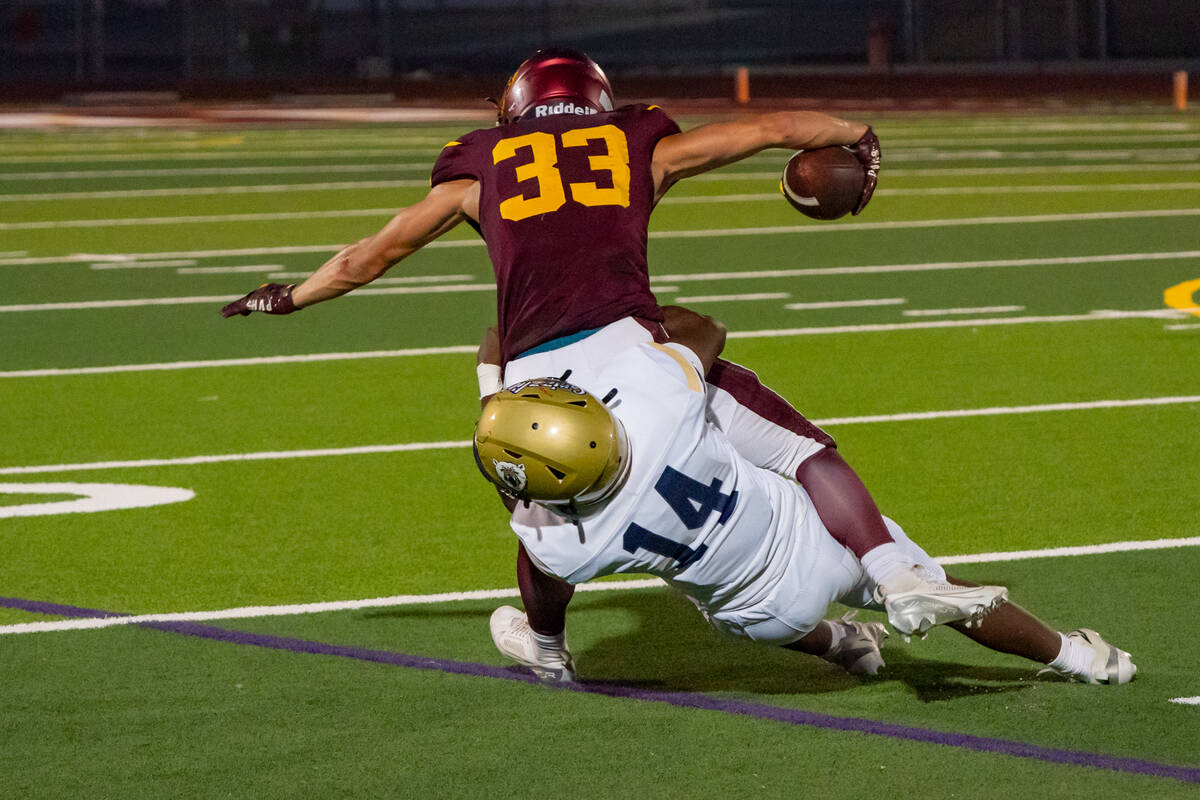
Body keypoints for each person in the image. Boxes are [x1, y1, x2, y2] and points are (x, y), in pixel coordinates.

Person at [220, 47, 981, 641]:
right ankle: (881, 571)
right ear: (596, 100)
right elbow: (770, 130)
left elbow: (368, 258)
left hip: (538, 383)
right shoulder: (636, 143)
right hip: (635, 355)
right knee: (790, 445)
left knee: (544, 518)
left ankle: (549, 643)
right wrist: (857, 134)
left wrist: (289, 296)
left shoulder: (476, 170)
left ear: (516, 105)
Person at [473, 312, 1137, 686]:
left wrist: (489, 392)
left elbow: (529, 522)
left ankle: (845, 644)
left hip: (755, 617)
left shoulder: (557, 538)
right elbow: (705, 330)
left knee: (772, 614)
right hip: (820, 538)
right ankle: (1080, 656)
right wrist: (633, 330)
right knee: (936, 586)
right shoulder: (656, 410)